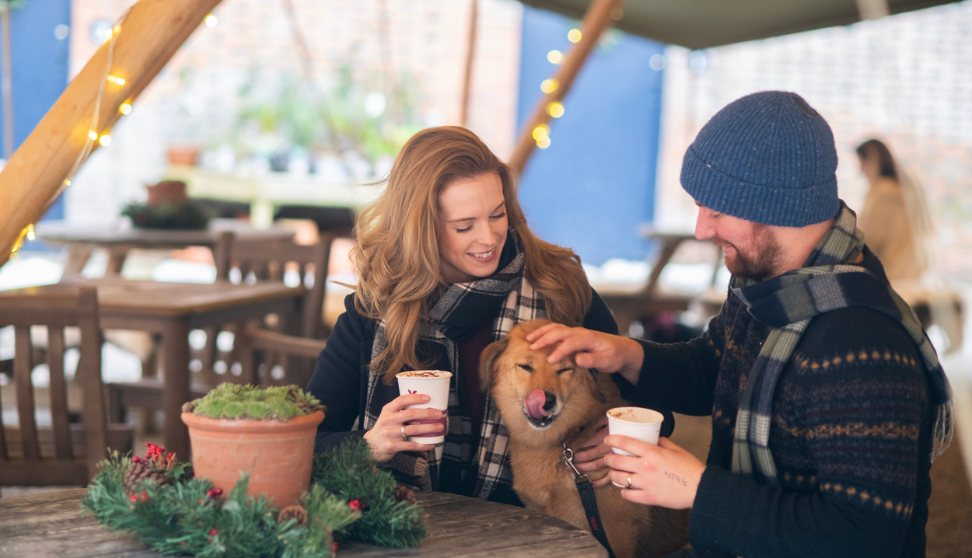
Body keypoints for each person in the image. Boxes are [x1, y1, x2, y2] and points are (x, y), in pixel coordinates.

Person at [528, 92, 953, 557]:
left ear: (775, 207)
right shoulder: (767, 285)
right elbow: (718, 368)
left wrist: (697, 489)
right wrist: (625, 353)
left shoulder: (862, 346)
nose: (701, 230)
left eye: (716, 211)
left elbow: (864, 540)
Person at [305, 126, 633, 506]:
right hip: (409, 526)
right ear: (421, 230)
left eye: (497, 215)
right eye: (465, 226)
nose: (490, 239)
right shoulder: (376, 311)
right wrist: (368, 444)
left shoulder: (556, 286)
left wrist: (615, 431)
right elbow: (305, 440)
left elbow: (647, 401)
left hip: (535, 529)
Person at [855, 138, 932, 284]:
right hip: (913, 275)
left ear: (872, 161)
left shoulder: (882, 193)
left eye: (862, 163)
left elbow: (868, 238)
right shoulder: (906, 191)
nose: (860, 170)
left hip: (888, 276)